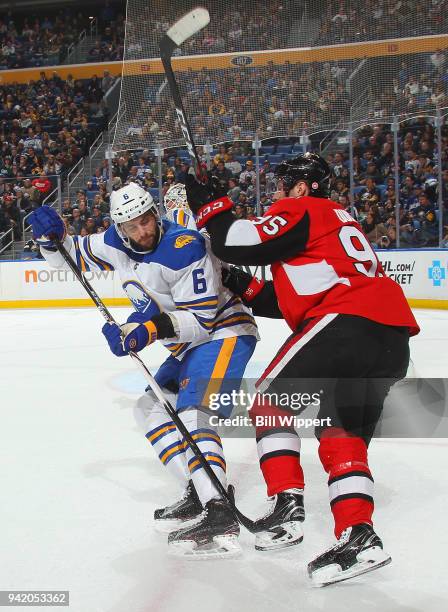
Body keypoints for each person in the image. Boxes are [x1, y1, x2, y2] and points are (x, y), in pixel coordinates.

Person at [185, 153, 419, 585]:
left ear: (302, 187)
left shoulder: (305, 209)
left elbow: (234, 240)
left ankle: (287, 507)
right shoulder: (336, 224)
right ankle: (359, 536)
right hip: (390, 340)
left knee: (269, 403)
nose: (275, 193)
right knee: (340, 434)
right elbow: (296, 296)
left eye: (282, 185)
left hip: (347, 323)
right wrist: (247, 286)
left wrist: (212, 205)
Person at [29, 182, 258, 558]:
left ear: (156, 213)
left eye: (146, 220)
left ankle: (218, 508)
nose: (143, 231)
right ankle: (197, 490)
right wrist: (50, 241)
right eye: (132, 226)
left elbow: (201, 320)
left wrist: (143, 331)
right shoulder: (115, 243)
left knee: (192, 411)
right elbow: (68, 257)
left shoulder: (184, 247)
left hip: (222, 332)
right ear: (120, 229)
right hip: (185, 343)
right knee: (149, 410)